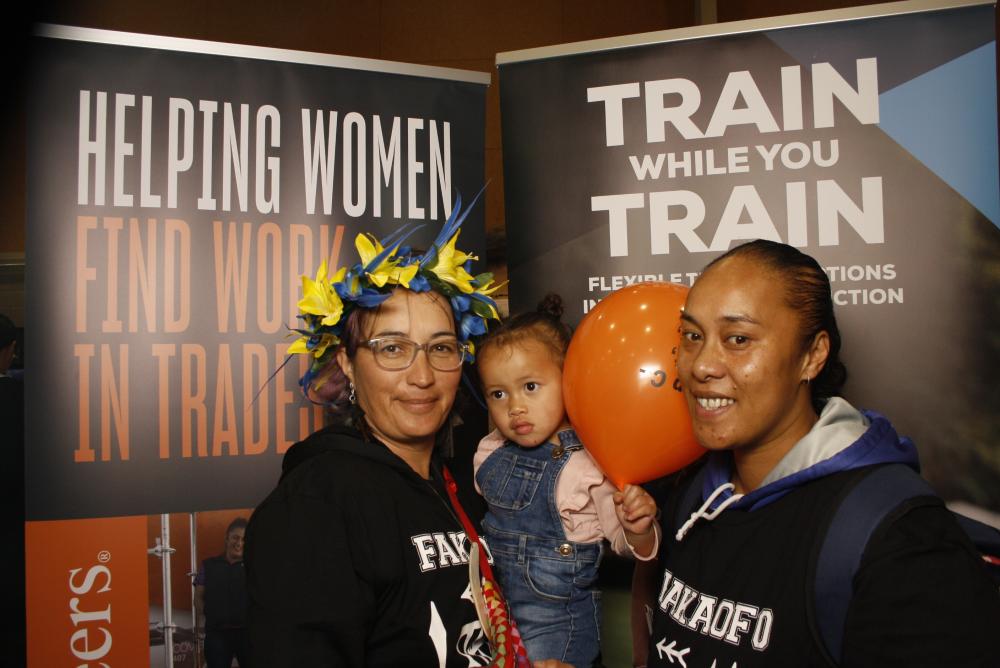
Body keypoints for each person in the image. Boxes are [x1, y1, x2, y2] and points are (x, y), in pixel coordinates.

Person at [636, 240, 1000, 667]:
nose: (700, 365)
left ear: (812, 355)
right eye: (693, 336)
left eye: (738, 339)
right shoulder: (693, 495)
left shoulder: (899, 536)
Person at [245, 199, 539, 667]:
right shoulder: (314, 506)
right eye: (392, 348)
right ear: (347, 363)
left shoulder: (464, 485)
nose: (422, 376)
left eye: (440, 348)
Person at [474, 295, 660, 668]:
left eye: (530, 386)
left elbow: (628, 545)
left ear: (569, 380)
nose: (515, 407)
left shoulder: (589, 465)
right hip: (495, 619)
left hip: (558, 632)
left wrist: (638, 527)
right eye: (498, 394)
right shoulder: (489, 450)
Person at [195, 518, 250, 668]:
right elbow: (198, 596)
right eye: (235, 538)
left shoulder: (253, 567)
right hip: (217, 635)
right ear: (227, 538)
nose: (239, 543)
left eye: (243, 539)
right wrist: (209, 614)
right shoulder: (208, 565)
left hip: (248, 634)